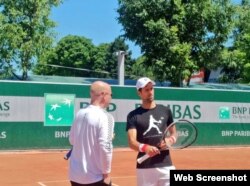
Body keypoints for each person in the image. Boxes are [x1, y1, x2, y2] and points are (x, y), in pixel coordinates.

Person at [126, 77, 176, 186]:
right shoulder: (133, 116)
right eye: (146, 90)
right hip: (145, 168)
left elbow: (174, 133)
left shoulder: (165, 111)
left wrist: (169, 140)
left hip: (166, 165)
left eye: (151, 88)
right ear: (139, 93)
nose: (150, 92)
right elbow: (131, 142)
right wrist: (146, 148)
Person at [68, 81, 114, 186]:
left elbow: (72, 140)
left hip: (75, 176)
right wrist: (106, 174)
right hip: (95, 177)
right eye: (111, 95)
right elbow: (105, 147)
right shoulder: (106, 117)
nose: (111, 98)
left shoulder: (79, 113)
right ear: (103, 94)